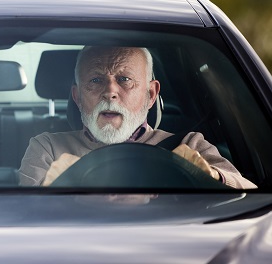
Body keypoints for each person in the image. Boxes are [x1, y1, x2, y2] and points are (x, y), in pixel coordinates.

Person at [19, 46, 257, 189]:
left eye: (124, 79)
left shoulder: (188, 145)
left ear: (151, 94)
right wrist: (50, 188)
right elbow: (22, 219)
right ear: (78, 97)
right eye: (95, 80)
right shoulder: (48, 148)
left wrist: (211, 176)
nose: (110, 92)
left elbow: (253, 197)